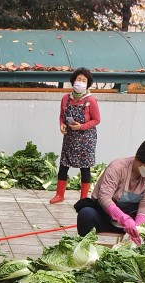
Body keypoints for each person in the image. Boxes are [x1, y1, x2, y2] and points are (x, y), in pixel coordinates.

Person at [74, 137, 145, 245]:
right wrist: (124, 219)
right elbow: (104, 198)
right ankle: (86, 249)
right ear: (139, 160)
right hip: (107, 216)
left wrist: (138, 228)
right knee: (86, 214)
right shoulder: (117, 168)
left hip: (133, 216)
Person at [50, 67, 101, 204]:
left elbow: (96, 120)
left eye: (84, 80)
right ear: (73, 81)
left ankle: (83, 199)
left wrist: (81, 126)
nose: (80, 82)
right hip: (70, 138)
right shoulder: (66, 98)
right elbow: (62, 116)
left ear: (88, 84)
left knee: (85, 168)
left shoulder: (91, 100)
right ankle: (59, 194)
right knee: (63, 165)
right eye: (78, 79)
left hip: (86, 139)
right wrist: (62, 125)